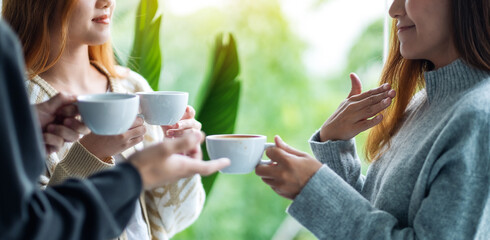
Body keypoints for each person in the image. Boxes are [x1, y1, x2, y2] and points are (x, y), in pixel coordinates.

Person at [256, 0, 490, 239]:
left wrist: (316, 189)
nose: (393, 10)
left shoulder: (480, 117)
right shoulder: (423, 103)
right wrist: (334, 146)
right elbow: (376, 216)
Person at [0, 19, 229, 240]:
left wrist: (179, 158)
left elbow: (172, 221)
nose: (107, 1)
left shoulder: (133, 86)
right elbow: (25, 227)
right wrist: (89, 155)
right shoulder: (18, 98)